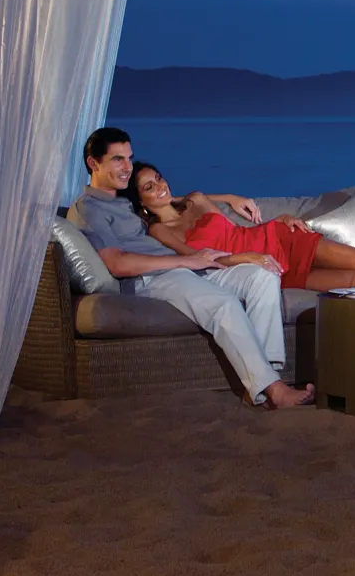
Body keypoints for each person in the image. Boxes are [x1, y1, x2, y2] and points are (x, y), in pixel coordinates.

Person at [67, 127, 314, 410]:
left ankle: (266, 376)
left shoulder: (123, 200)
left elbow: (165, 197)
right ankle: (275, 391)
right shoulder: (89, 209)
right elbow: (116, 262)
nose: (127, 168)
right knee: (223, 304)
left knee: (261, 276)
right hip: (151, 277)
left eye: (129, 158)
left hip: (184, 269)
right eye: (117, 159)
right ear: (93, 163)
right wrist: (186, 260)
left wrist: (228, 199)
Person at [124, 162, 355, 291]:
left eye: (159, 178)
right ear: (141, 202)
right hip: (263, 266)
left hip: (275, 239)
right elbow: (194, 257)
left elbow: (200, 203)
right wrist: (245, 259)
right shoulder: (159, 231)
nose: (160, 186)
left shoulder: (195, 200)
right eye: (149, 187)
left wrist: (238, 201)